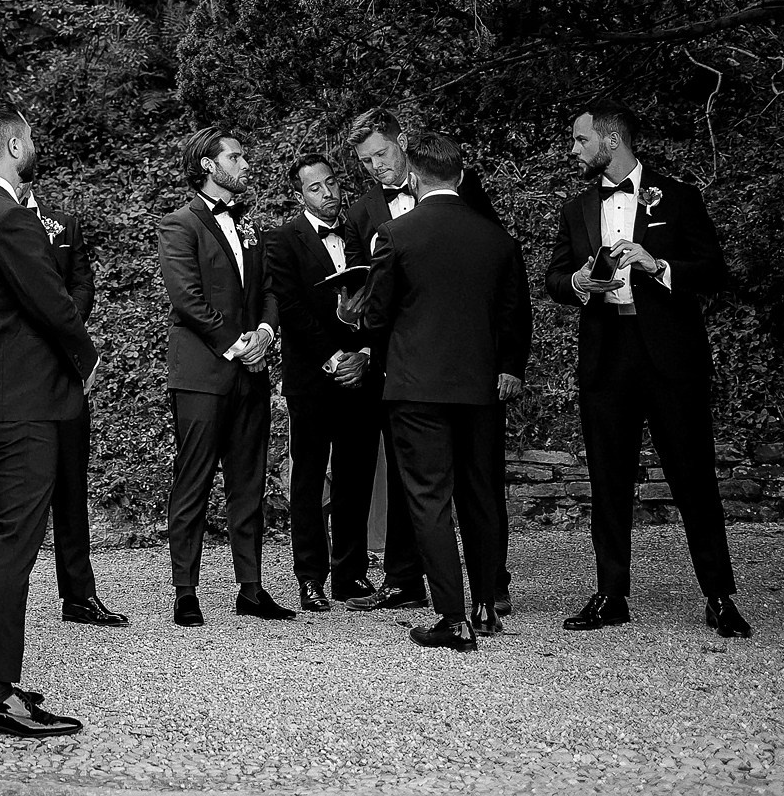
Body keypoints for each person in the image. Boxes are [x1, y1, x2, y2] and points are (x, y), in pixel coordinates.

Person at [547, 102, 750, 639]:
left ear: (611, 141)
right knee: (607, 481)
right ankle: (611, 593)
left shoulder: (679, 197)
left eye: (580, 140)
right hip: (606, 357)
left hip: (669, 358)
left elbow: (713, 270)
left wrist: (656, 266)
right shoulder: (577, 208)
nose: (574, 151)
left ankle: (718, 595)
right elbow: (553, 276)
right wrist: (577, 284)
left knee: (693, 476)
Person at [0, 100, 99, 736]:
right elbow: (54, 305)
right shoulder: (9, 218)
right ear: (11, 147)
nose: (34, 145)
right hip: (25, 405)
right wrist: (85, 360)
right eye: (28, 138)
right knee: (12, 547)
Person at [359, 132, 530, 651]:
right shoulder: (497, 239)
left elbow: (378, 315)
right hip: (480, 387)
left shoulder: (397, 234)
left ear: (414, 174)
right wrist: (507, 368)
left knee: (429, 498)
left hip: (417, 387)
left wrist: (355, 309)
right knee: (480, 495)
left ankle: (452, 617)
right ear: (459, 175)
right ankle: (485, 606)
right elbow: (515, 316)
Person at [157, 125, 294, 626]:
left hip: (251, 371)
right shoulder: (180, 223)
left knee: (248, 482)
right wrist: (240, 347)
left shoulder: (250, 225)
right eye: (235, 158)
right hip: (201, 374)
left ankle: (251, 589)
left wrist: (264, 331)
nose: (244, 164)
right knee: (192, 480)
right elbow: (187, 300)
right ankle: (185, 590)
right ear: (209, 166)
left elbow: (271, 290)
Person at [265, 152, 386, 611]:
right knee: (309, 481)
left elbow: (383, 295)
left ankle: (350, 576)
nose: (328, 193)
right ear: (300, 194)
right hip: (313, 379)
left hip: (362, 374)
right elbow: (291, 310)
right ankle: (310, 578)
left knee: (357, 477)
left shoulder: (360, 233)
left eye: (331, 182)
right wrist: (335, 358)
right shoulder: (282, 240)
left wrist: (365, 352)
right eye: (315, 187)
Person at [26, 182, 128, 626]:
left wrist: (67, 325)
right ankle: (8, 596)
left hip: (67, 368)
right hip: (23, 371)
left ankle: (78, 594)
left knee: (72, 484)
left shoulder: (63, 223)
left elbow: (83, 282)